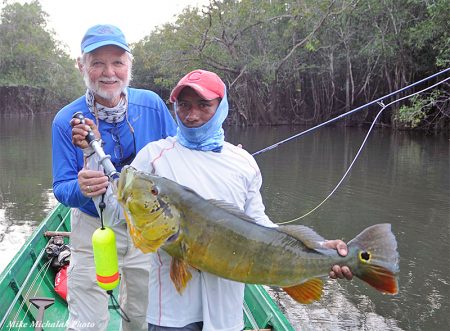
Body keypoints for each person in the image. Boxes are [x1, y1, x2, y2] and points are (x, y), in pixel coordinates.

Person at [73, 69, 352, 331]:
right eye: (183, 105)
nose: (191, 115)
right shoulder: (154, 156)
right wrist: (93, 166)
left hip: (226, 312)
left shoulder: (243, 162)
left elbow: (260, 224)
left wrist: (318, 248)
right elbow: (116, 215)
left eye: (203, 105)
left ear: (222, 107)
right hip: (170, 311)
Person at [51, 24, 177, 331]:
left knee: (142, 314)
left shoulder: (152, 106)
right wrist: (81, 189)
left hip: (146, 226)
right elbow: (61, 188)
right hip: (93, 227)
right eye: (97, 63)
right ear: (82, 66)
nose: (109, 73)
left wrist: (218, 158)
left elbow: (179, 157)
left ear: (130, 65)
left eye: (118, 62)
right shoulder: (66, 120)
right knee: (87, 322)